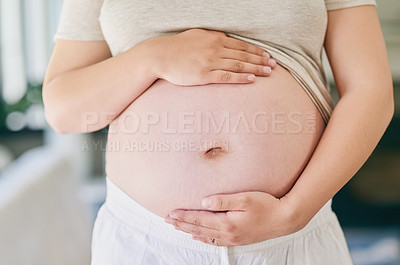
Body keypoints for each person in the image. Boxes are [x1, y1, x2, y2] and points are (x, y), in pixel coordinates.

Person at [43, 0, 394, 264]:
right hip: (146, 243)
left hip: (292, 237)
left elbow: (370, 90)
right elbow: (63, 111)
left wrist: (293, 212)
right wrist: (153, 56)